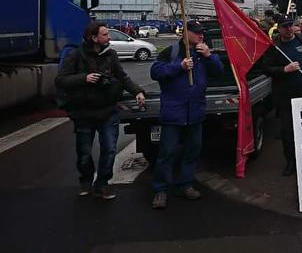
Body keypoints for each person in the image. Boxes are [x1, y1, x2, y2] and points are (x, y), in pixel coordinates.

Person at [56, 22, 145, 200]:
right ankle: (85, 181)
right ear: (94, 38)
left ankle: (103, 183)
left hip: (108, 110)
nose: (109, 37)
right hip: (83, 112)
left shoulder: (110, 55)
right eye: (105, 35)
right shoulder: (75, 55)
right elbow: (61, 80)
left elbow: (122, 76)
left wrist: (138, 91)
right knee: (84, 152)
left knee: (109, 149)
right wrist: (84, 78)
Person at [150, 20, 224, 209]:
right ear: (186, 33)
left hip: (195, 111)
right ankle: (161, 190)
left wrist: (210, 56)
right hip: (174, 112)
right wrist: (179, 67)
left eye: (202, 33)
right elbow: (155, 72)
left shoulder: (203, 53)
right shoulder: (171, 52)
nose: (201, 36)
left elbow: (219, 71)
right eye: (197, 32)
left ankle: (186, 184)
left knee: (192, 151)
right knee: (167, 153)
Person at [262, 16, 302, 176]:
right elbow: (266, 68)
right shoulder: (273, 46)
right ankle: (291, 161)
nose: (289, 29)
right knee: (288, 131)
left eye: (290, 25)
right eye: (285, 26)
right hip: (285, 96)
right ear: (279, 29)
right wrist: (284, 70)